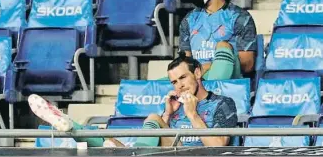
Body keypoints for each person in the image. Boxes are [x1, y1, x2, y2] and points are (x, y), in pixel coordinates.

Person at [28, 53, 238, 147]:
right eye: (174, 82)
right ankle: (69, 124)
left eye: (183, 78)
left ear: (198, 73)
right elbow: (160, 142)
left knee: (152, 119)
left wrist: (192, 115)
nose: (179, 85)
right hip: (164, 153)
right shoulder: (175, 107)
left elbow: (218, 146)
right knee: (107, 139)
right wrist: (168, 115)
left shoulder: (223, 103)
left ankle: (129, 153)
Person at [179, 0, 257, 80]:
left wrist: (216, 64)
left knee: (223, 45)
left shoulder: (240, 18)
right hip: (196, 79)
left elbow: (247, 66)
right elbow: (185, 62)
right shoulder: (189, 20)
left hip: (229, 80)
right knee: (159, 85)